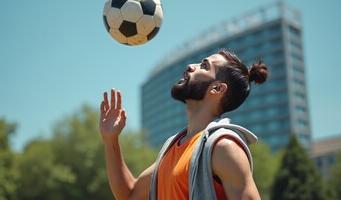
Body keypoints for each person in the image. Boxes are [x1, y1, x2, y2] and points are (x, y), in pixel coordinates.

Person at [100, 48, 268, 200]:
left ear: (217, 89)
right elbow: (129, 195)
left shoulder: (224, 147)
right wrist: (110, 140)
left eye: (204, 66)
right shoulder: (172, 147)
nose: (190, 66)